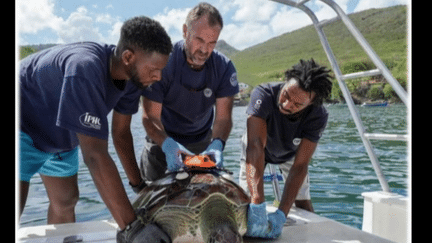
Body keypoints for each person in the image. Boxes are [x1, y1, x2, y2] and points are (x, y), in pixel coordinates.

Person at [19, 16, 172, 242]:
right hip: (22, 128)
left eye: (161, 70)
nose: (158, 77)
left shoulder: (133, 80)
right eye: (154, 69)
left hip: (61, 136)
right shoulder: (85, 68)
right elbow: (94, 155)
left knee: (66, 200)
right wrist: (132, 228)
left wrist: (140, 187)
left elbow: (120, 134)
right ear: (128, 57)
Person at [139, 2, 239, 181]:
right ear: (185, 31)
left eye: (212, 43)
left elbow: (223, 118)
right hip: (162, 141)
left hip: (202, 144)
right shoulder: (163, 63)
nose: (204, 50)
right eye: (199, 40)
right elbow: (150, 117)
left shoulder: (224, 68)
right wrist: (168, 145)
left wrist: (217, 144)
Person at [239, 59, 333, 239]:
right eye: (286, 95)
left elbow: (300, 166)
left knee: (303, 202)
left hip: (291, 153)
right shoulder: (263, 94)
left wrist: (282, 213)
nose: (287, 104)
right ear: (285, 82)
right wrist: (257, 201)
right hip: (256, 146)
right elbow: (255, 146)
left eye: (297, 105)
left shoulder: (318, 115)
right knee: (245, 204)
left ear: (310, 105)